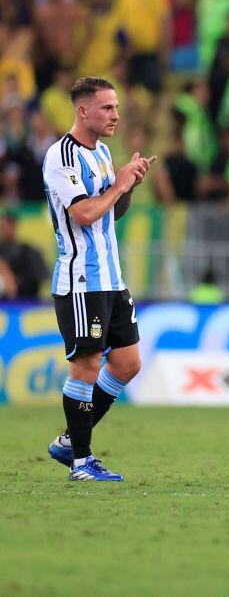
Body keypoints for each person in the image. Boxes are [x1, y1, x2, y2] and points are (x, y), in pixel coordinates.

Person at [42, 77, 157, 482]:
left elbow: (110, 213)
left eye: (117, 107)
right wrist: (119, 184)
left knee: (127, 363)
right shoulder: (62, 156)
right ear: (83, 110)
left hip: (111, 277)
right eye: (107, 108)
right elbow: (84, 214)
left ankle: (71, 443)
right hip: (80, 280)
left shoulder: (105, 153)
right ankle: (81, 462)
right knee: (87, 365)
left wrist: (128, 188)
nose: (116, 115)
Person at [0, 210, 49, 299]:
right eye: (3, 226)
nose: (4, 229)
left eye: (7, 225)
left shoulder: (27, 251)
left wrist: (16, 281)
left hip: (25, 300)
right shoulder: (2, 251)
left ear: (14, 226)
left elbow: (40, 278)